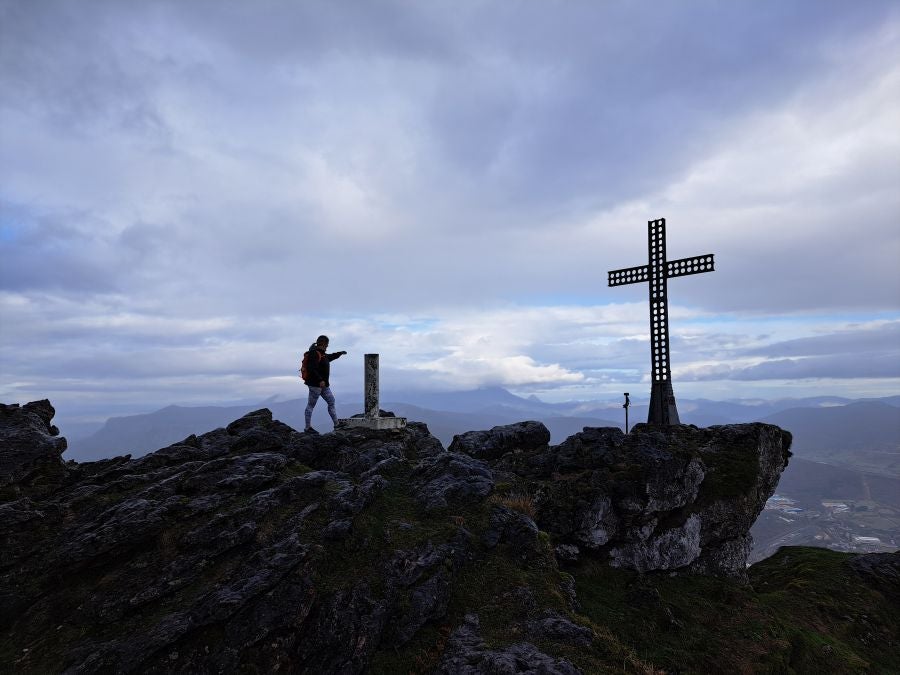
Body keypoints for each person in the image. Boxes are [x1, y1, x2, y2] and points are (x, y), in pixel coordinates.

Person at [302, 335, 346, 434]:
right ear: (323, 344)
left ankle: (337, 424)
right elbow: (311, 369)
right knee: (311, 405)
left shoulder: (323, 355)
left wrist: (340, 353)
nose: (327, 347)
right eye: (327, 345)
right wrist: (320, 380)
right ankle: (307, 428)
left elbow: (330, 357)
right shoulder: (314, 354)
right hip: (315, 385)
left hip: (324, 385)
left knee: (331, 401)